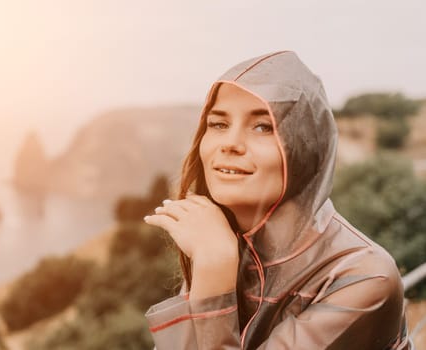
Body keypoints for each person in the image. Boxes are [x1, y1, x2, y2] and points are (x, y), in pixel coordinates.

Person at [143, 51, 412, 349]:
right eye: (218, 124)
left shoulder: (364, 277)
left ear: (305, 149)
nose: (230, 143)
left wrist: (214, 268)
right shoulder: (221, 240)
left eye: (263, 127)